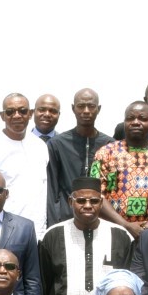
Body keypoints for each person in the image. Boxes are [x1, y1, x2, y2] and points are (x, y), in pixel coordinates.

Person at [90, 102, 148, 238]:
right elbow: (96, 194)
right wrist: (125, 226)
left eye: (142, 118)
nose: (136, 122)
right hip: (111, 232)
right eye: (130, 118)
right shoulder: (105, 154)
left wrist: (146, 229)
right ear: (124, 122)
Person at [0, 93, 49, 237]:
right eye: (10, 112)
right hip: (2, 233)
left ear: (31, 113)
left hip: (38, 233)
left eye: (22, 111)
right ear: (2, 116)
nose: (17, 115)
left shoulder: (41, 146)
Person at [46, 88, 113, 226]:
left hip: (102, 221)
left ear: (98, 109)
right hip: (66, 220)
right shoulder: (58, 144)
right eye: (81, 106)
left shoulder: (110, 145)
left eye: (91, 106)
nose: (86, 111)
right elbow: (52, 189)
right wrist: (53, 225)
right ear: (73, 108)